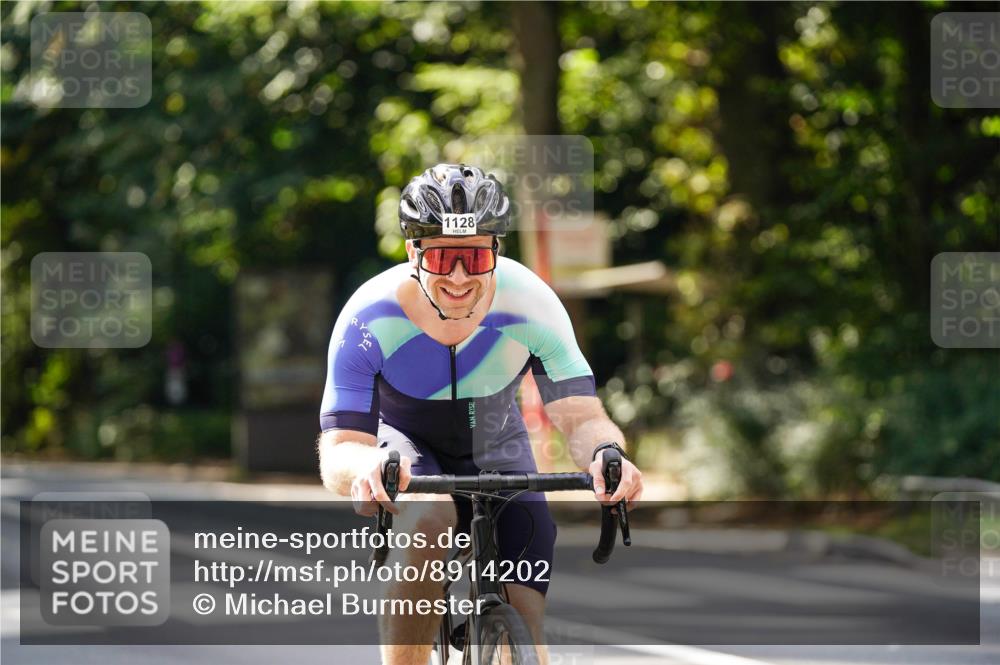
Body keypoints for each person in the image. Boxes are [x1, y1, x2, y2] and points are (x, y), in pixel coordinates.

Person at [317, 163, 643, 665]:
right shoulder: (369, 316)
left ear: (496, 251)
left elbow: (581, 417)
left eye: (473, 256)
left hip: (496, 441)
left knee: (526, 610)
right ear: (413, 253)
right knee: (428, 517)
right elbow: (339, 447)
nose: (459, 276)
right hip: (407, 445)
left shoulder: (530, 303)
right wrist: (366, 466)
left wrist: (607, 452)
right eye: (441, 257)